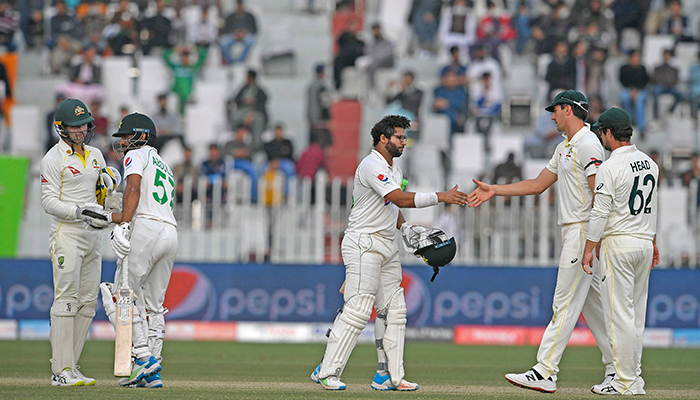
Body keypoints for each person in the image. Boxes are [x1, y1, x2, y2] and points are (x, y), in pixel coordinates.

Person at [467, 90, 615, 393]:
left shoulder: (588, 145)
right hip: (577, 232)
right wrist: (495, 189)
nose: (551, 116)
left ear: (569, 111)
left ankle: (545, 371)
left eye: (556, 110)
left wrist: (593, 239)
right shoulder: (565, 147)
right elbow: (537, 185)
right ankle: (620, 369)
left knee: (564, 304)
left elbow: (599, 195)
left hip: (582, 232)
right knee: (594, 308)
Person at [309, 115, 469, 391]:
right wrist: (441, 196)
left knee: (394, 311)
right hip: (363, 242)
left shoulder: (394, 170)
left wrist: (405, 228)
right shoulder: (371, 165)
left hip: (386, 244)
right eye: (399, 137)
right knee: (359, 310)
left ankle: (389, 376)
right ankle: (327, 370)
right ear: (383, 139)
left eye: (405, 138)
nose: (404, 142)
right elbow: (399, 198)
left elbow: (390, 207)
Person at [40, 98, 119, 386]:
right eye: (75, 125)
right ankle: (60, 370)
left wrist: (110, 185)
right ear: (61, 128)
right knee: (67, 300)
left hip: (92, 236)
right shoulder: (52, 159)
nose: (81, 129)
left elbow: (100, 196)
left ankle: (71, 367)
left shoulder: (96, 154)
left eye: (84, 123)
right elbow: (48, 202)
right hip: (67, 233)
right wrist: (78, 212)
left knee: (87, 303)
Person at [582, 107, 659, 395]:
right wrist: (652, 241)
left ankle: (624, 381)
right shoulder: (650, 163)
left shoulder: (610, 167)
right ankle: (634, 379)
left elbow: (599, 213)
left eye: (601, 132)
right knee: (636, 316)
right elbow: (651, 207)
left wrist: (590, 248)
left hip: (620, 244)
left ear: (608, 133)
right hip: (642, 241)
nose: (601, 136)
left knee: (618, 317)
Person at [105, 112, 178, 388]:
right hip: (170, 231)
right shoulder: (165, 165)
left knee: (119, 294)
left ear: (141, 136)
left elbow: (133, 187)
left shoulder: (136, 155)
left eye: (126, 136)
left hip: (146, 228)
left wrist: (123, 221)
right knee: (154, 305)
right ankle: (152, 370)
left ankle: (143, 358)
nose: (122, 142)